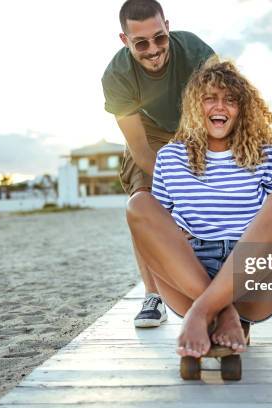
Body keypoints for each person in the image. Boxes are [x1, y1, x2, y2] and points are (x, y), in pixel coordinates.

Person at [126, 57, 272, 357]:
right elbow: (161, 229)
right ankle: (225, 313)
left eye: (230, 100)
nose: (220, 107)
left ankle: (206, 310)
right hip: (190, 277)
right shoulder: (170, 157)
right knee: (139, 204)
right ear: (196, 106)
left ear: (243, 109)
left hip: (253, 282)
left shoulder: (270, 156)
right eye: (210, 99)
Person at [102, 0, 215, 327]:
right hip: (149, 134)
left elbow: (225, 105)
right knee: (144, 205)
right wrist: (177, 195)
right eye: (141, 43)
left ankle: (216, 282)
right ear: (125, 40)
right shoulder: (116, 77)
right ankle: (153, 296)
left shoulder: (194, 50)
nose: (153, 50)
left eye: (160, 38)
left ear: (168, 26)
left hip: (194, 126)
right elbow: (139, 147)